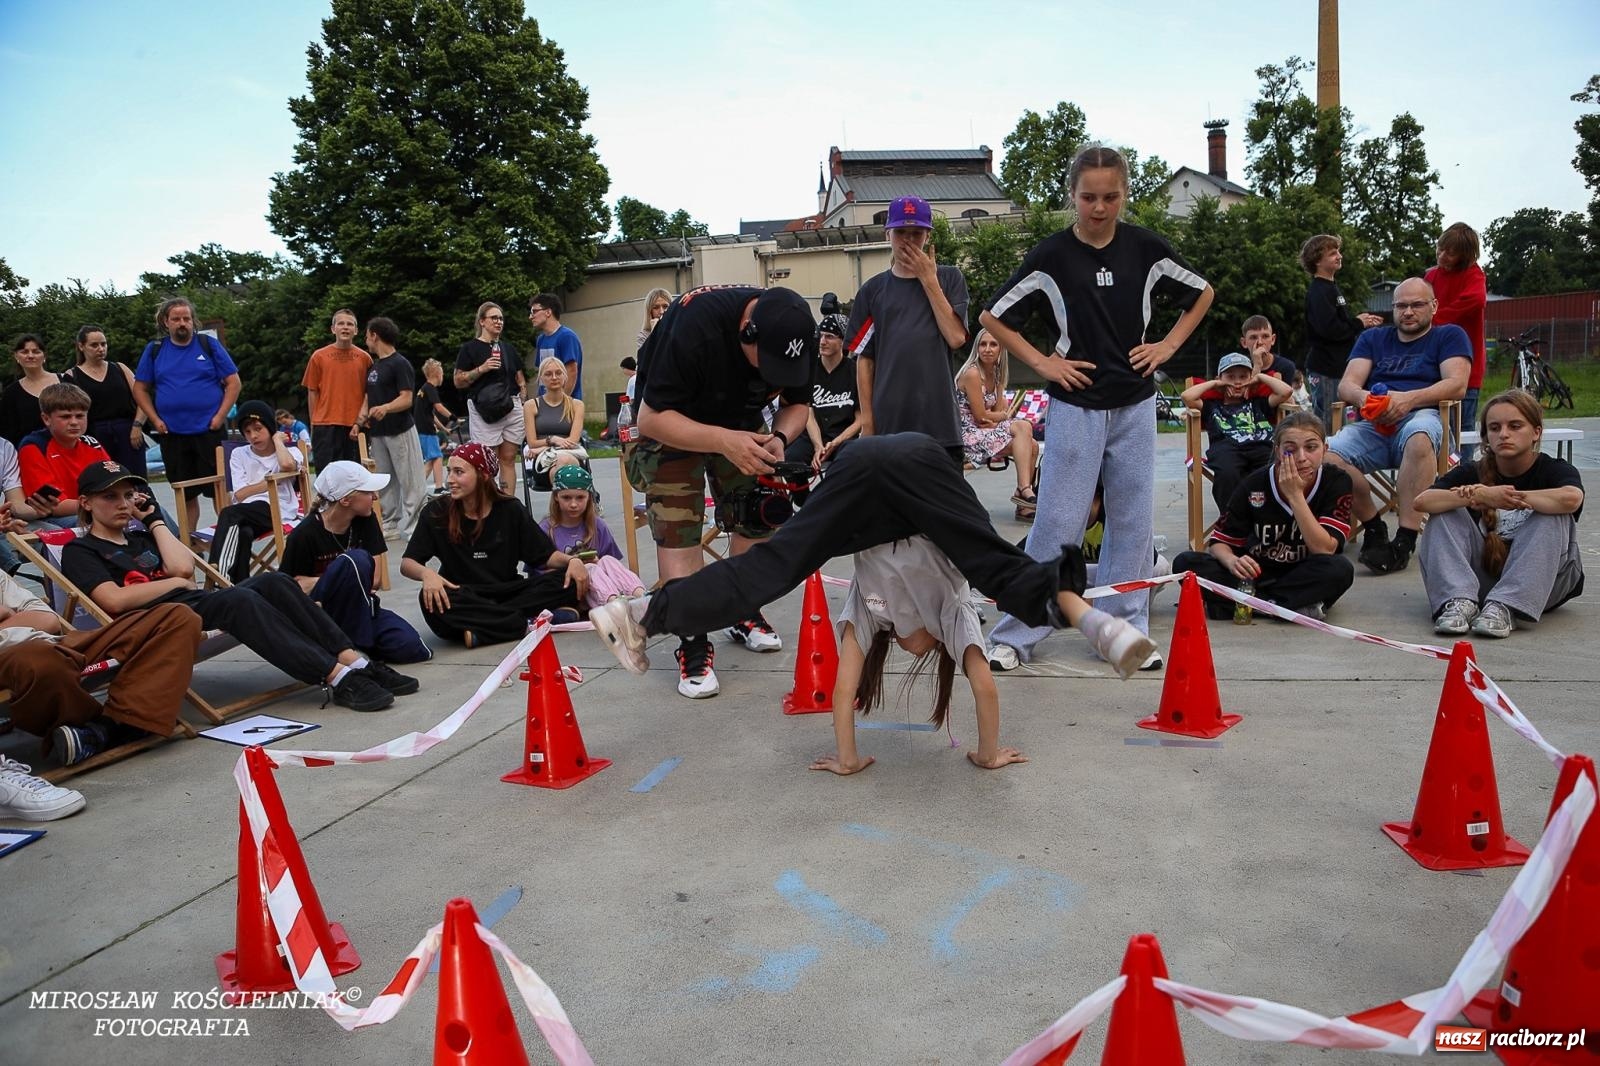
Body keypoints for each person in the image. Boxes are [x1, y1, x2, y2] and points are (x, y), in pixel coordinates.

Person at [589, 433, 1157, 697]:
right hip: (913, 464)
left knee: (775, 565)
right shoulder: (946, 611)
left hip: (876, 465)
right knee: (997, 565)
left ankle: (639, 613)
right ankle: (1098, 625)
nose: (917, 646)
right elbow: (995, 573)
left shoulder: (886, 613)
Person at [981, 145, 1214, 674]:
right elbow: (992, 316)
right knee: (1059, 523)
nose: (1100, 208)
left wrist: (1167, 349)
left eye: (1111, 197)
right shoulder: (1051, 256)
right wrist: (1044, 364)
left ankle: (1122, 631)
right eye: (1089, 197)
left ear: (1124, 195)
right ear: (1073, 196)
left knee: (1132, 521)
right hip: (1076, 406)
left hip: (1135, 405)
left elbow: (1203, 293)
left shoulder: (1146, 249)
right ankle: (1017, 634)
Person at [62, 461, 415, 713]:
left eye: (128, 495)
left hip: (189, 602)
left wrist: (153, 519)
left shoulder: (142, 539)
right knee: (239, 600)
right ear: (86, 503)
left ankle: (354, 662)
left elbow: (185, 568)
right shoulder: (81, 550)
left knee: (276, 582)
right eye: (110, 497)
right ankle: (337, 678)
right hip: (157, 621)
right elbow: (114, 599)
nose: (123, 504)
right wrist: (173, 582)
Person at [628, 284, 816, 697]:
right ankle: (692, 640)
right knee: (680, 529)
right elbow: (650, 419)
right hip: (673, 423)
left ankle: (742, 609)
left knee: (758, 513)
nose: (771, 377)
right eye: (765, 364)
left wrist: (780, 437)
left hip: (742, 422)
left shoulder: (796, 330)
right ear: (747, 332)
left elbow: (797, 405)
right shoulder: (693, 326)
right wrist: (721, 440)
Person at [1324, 277, 1471, 575]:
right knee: (1326, 456)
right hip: (1373, 423)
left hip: (1424, 417)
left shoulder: (1449, 336)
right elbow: (1347, 386)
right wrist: (1373, 400)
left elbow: (1457, 385)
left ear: (1433, 306)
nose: (1408, 311)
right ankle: (1374, 527)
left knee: (1419, 437)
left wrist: (1406, 400)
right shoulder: (1373, 338)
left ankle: (1404, 540)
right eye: (1401, 305)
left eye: (1417, 304)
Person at [1417, 389, 1584, 638]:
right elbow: (1422, 502)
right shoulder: (1472, 471)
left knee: (1554, 512)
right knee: (1443, 510)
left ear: (1536, 432)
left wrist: (1508, 498)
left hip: (1545, 585)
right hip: (1484, 582)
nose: (1504, 434)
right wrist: (1478, 495)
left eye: (1515, 426)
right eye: (1494, 428)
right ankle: (1459, 601)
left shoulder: (1553, 469)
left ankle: (1507, 606)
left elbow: (1572, 498)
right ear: (1486, 436)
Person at [0, 569, 202, 769]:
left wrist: (6, 614)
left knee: (177, 617)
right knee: (41, 662)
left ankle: (108, 728)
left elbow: (46, 620)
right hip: (17, 656)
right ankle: (121, 727)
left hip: (57, 642)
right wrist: (9, 612)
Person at [1171, 411, 1355, 620]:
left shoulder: (1336, 481)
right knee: (1186, 563)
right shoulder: (1255, 483)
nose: (1301, 458)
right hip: (1255, 573)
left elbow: (1324, 549)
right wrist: (1231, 560)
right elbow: (1219, 543)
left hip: (1303, 573)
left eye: (1311, 448)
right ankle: (1286, 607)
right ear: (1277, 451)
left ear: (1325, 449)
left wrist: (1295, 496)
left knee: (1340, 570)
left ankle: (1245, 604)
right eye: (1290, 450)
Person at [400, 442, 586, 647]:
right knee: (432, 602)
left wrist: (573, 561)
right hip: (464, 594)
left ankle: (489, 629)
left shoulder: (510, 509)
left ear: (483, 475)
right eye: (449, 471)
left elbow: (545, 556)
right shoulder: (437, 512)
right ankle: (527, 623)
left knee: (569, 580)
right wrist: (427, 575)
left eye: (459, 472)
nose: (450, 480)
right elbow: (408, 563)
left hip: (509, 591)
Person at [846, 195, 969, 464]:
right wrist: (868, 423)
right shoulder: (873, 291)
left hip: (940, 423)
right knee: (891, 505)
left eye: (916, 233)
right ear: (888, 233)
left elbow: (956, 337)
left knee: (945, 504)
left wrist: (928, 279)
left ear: (927, 235)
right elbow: (864, 360)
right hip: (890, 422)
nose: (908, 240)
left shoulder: (949, 278)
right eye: (901, 232)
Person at [280, 460, 430, 664]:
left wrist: (327, 581)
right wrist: (346, 578)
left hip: (362, 608)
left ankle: (352, 650)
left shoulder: (366, 520)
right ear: (345, 500)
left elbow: (374, 579)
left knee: (413, 648)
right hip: (322, 616)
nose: (375, 496)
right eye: (368, 492)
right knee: (356, 560)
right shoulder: (304, 535)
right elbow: (290, 589)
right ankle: (352, 650)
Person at [132, 297, 242, 533]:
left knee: (219, 490)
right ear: (166, 322)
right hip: (173, 434)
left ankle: (227, 538)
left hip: (209, 432)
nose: (182, 323)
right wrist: (155, 419)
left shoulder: (208, 345)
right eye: (176, 319)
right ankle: (190, 548)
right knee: (184, 493)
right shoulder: (155, 350)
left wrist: (220, 416)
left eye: (186, 318)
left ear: (193, 321)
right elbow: (140, 388)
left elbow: (233, 383)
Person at [1181, 352, 1293, 514]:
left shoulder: (1258, 404)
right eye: (1230, 377)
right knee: (1227, 474)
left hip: (1261, 447)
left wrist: (1259, 378)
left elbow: (1286, 392)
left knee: (1272, 470)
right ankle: (1231, 520)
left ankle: (1266, 519)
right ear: (1220, 378)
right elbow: (1186, 396)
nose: (1237, 382)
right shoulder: (1212, 406)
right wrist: (1214, 384)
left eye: (1243, 376)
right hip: (1226, 449)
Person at [207, 400, 303, 584]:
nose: (253, 435)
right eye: (248, 432)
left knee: (229, 512)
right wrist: (274, 480)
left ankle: (217, 572)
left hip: (277, 510)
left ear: (270, 427)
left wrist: (277, 440)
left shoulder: (290, 451)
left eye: (259, 429)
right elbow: (240, 494)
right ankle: (241, 584)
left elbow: (287, 465)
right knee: (244, 532)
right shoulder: (239, 454)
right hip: (246, 512)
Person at [1301, 234, 1383, 429]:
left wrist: (1362, 322)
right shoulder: (1318, 291)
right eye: (1332, 253)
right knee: (1331, 424)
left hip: (1339, 367)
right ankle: (1329, 459)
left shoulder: (1331, 288)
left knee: (1346, 423)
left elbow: (1339, 324)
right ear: (1317, 261)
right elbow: (1329, 330)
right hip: (1326, 369)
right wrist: (1357, 323)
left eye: (1338, 251)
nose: (1339, 256)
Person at [356, 316, 425, 540]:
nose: (366, 340)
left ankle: (416, 527)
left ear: (375, 335)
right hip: (378, 433)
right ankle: (390, 524)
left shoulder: (399, 363)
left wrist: (385, 408)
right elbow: (370, 397)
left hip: (400, 430)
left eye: (366, 336)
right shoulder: (375, 367)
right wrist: (361, 421)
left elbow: (406, 399)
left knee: (410, 480)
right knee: (384, 480)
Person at [954, 327, 1039, 509]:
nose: (987, 349)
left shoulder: (997, 373)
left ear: (1001, 349)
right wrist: (1000, 416)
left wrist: (999, 408)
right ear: (976, 348)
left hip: (984, 431)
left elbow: (998, 414)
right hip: (966, 434)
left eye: (993, 344)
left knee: (1032, 444)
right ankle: (1024, 491)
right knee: (1023, 427)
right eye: (983, 344)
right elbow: (980, 416)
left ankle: (1023, 499)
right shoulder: (972, 374)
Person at [539, 464, 644, 609]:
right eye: (567, 498)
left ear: (589, 497)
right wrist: (575, 565)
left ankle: (642, 597)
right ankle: (614, 605)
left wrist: (597, 561)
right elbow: (538, 574)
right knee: (588, 568)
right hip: (566, 587)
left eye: (580, 497)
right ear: (556, 496)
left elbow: (611, 566)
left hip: (597, 587)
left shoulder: (597, 525)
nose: (574, 504)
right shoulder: (546, 529)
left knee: (607, 560)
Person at [1424, 222, 1487, 461]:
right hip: (1432, 364)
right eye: (1441, 248)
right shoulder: (1431, 276)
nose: (1442, 255)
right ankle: (1437, 476)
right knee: (1433, 424)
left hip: (1465, 369)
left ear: (1466, 256)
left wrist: (1432, 318)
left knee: (1462, 428)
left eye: (1450, 252)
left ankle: (1465, 479)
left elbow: (1476, 301)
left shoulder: (1473, 275)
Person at [453, 301, 526, 495]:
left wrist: (523, 399)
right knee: (488, 460)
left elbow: (520, 379)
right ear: (482, 321)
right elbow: (458, 381)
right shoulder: (469, 348)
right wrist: (482, 369)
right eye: (494, 318)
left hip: (511, 406)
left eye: (501, 318)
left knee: (509, 458)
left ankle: (508, 503)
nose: (499, 322)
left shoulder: (508, 348)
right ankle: (491, 503)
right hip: (484, 410)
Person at [18, 382, 113, 528]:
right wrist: (108, 504)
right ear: (46, 419)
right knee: (97, 524)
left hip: (94, 509)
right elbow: (55, 506)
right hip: (53, 517)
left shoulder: (92, 443)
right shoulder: (34, 447)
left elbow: (114, 482)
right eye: (65, 417)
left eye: (80, 416)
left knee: (154, 513)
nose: (74, 422)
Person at [63, 325, 147, 475]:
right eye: (94, 345)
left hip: (128, 432)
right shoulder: (71, 376)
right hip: (95, 436)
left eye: (103, 344)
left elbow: (143, 398)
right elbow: (71, 412)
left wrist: (137, 425)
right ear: (81, 346)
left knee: (135, 480)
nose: (100, 349)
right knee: (103, 482)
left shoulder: (120, 368)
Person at [300, 308, 371, 470]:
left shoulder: (365, 359)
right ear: (333, 329)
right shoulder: (319, 357)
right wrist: (313, 422)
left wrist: (362, 421)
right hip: (325, 424)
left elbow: (370, 394)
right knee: (327, 475)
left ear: (356, 330)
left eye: (350, 324)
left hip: (355, 425)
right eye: (341, 324)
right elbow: (312, 391)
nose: (345, 327)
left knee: (356, 476)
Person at [523, 356, 587, 479]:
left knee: (563, 462)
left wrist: (543, 448)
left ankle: (558, 496)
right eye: (548, 374)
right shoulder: (531, 406)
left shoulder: (577, 405)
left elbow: (572, 442)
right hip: (543, 461)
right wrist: (552, 439)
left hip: (571, 456)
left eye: (558, 373)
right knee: (562, 466)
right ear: (541, 378)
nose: (554, 377)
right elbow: (532, 443)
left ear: (565, 376)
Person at [1, 334, 61, 447]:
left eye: (36, 351)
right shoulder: (11, 393)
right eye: (24, 352)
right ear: (16, 356)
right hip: (32, 451)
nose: (30, 355)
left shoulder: (66, 381)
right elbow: (8, 432)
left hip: (68, 447)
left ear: (44, 356)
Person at [530, 292, 583, 401]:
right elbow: (541, 374)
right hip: (545, 403)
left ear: (548, 312)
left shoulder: (566, 336)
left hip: (565, 404)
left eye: (534, 311)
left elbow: (572, 371)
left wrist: (561, 402)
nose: (530, 316)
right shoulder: (541, 339)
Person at [413, 359, 451, 495]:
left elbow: (431, 414)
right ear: (436, 374)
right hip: (427, 430)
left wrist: (444, 429)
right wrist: (453, 417)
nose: (443, 376)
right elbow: (438, 407)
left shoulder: (423, 389)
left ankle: (418, 487)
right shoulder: (430, 388)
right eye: (442, 373)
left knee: (431, 458)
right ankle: (439, 487)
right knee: (437, 456)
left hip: (422, 428)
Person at [1238, 315, 1297, 384]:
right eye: (1253, 337)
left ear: (1273, 339)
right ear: (1244, 342)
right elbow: (1247, 393)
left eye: (1265, 336)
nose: (1260, 342)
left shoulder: (1286, 367)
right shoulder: (1239, 367)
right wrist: (1257, 366)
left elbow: (1286, 394)